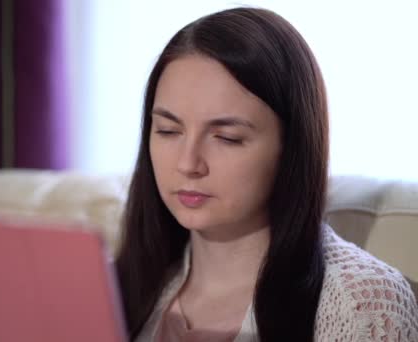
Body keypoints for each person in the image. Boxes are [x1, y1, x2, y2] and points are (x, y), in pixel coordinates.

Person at [115, 7, 418, 342]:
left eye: (227, 138)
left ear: (291, 147)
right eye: (169, 131)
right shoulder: (123, 286)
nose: (188, 164)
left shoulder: (362, 304)